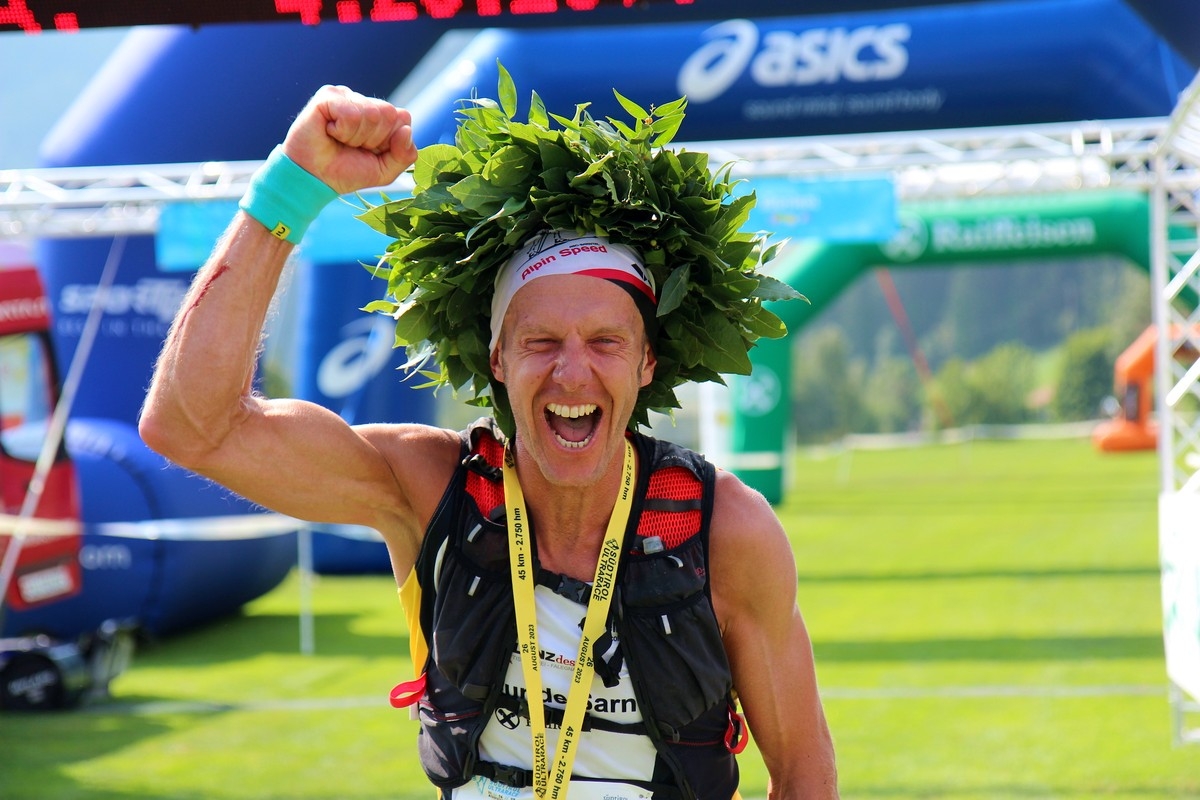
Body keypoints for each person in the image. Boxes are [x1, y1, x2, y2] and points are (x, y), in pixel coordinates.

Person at [139, 83, 838, 800]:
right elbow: (193, 426)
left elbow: (806, 776)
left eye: (605, 341)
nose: (573, 370)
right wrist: (293, 184)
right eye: (540, 341)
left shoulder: (725, 529)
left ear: (646, 363)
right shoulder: (430, 487)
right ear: (497, 360)